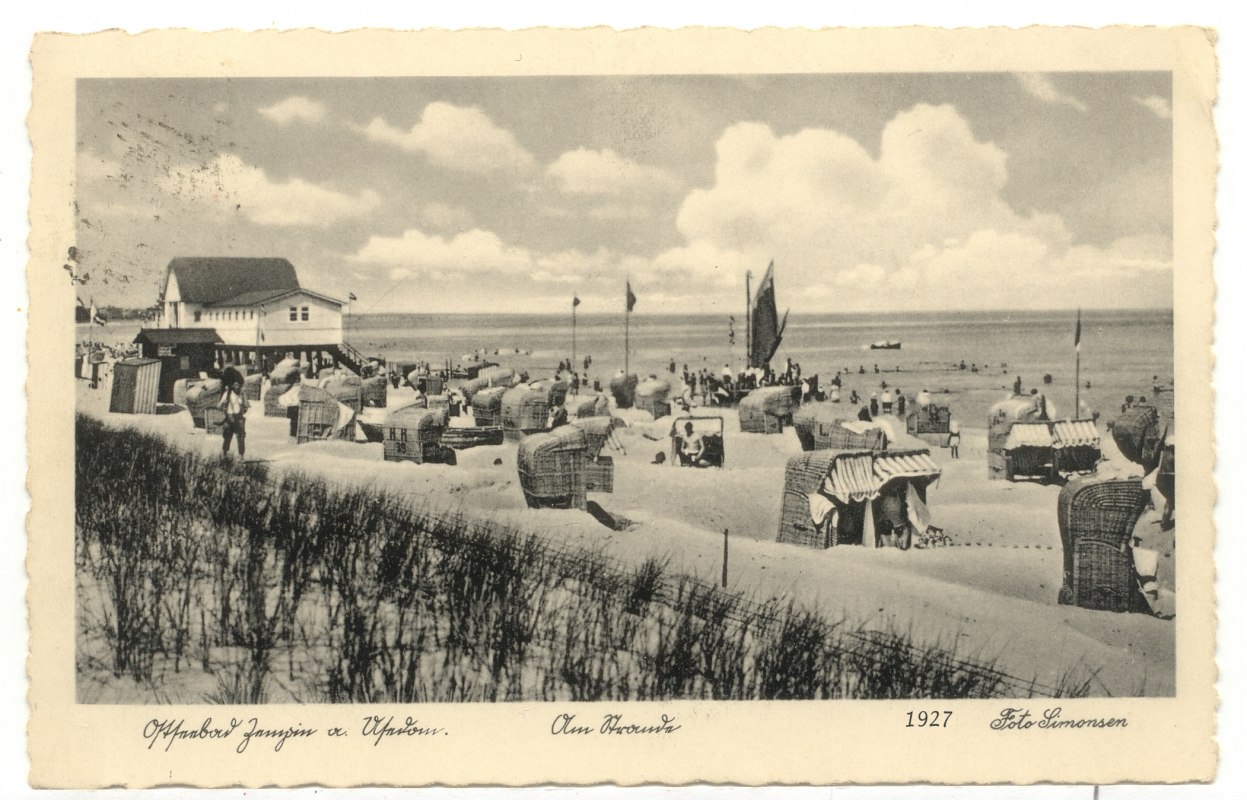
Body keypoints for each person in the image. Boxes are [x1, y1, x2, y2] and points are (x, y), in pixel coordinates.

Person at [219, 375, 250, 459]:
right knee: (227, 437)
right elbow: (219, 405)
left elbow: (247, 405)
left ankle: (241, 456)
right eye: (236, 385)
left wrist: (244, 407)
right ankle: (224, 453)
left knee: (241, 437)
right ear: (232, 386)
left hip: (239, 417)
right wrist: (224, 405)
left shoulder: (242, 394)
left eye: (239, 385)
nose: (238, 387)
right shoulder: (228, 394)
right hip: (229, 417)